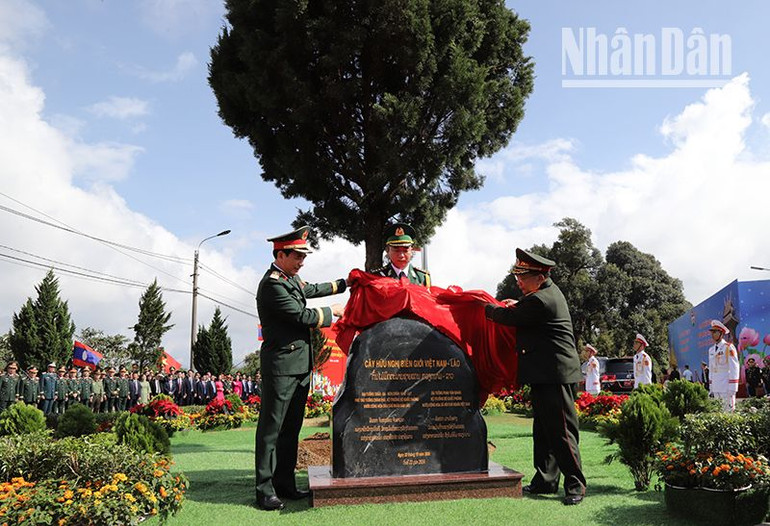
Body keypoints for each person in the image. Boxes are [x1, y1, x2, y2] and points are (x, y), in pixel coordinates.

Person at [255, 225, 347, 511]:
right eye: (297, 256)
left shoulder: (290, 279)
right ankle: (264, 490)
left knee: (291, 429)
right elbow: (302, 315)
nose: (302, 262)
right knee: (271, 431)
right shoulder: (272, 285)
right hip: (281, 368)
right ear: (280, 255)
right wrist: (334, 311)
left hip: (299, 368)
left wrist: (345, 283)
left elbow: (311, 289)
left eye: (304, 256)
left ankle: (284, 484)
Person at [483, 248, 586, 506]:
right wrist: (515, 304)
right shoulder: (541, 295)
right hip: (545, 374)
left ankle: (575, 484)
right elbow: (522, 308)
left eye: (523, 277)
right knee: (543, 431)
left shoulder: (541, 300)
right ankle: (545, 481)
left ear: (540, 277)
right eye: (517, 276)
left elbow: (511, 317)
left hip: (555, 375)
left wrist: (485, 308)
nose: (519, 281)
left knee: (562, 432)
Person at [707, 320, 739, 411]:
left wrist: (733, 386)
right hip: (716, 385)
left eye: (715, 332)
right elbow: (711, 369)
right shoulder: (711, 350)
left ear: (721, 333)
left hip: (726, 385)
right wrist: (711, 386)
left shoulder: (728, 347)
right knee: (719, 411)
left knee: (728, 411)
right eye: (712, 332)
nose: (712, 334)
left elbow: (734, 367)